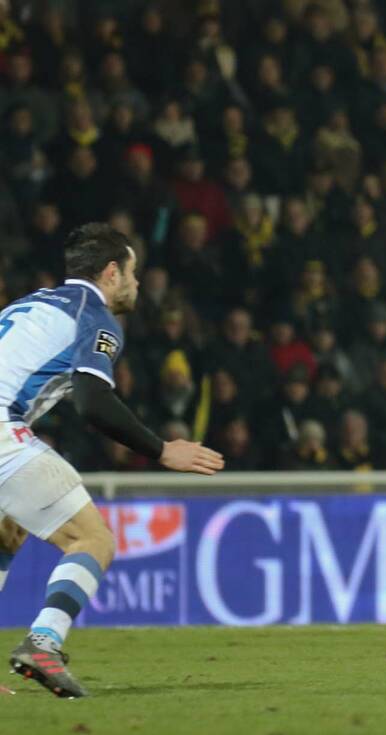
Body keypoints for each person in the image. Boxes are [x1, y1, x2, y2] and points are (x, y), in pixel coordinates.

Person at [0, 224, 225, 697]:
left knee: (7, 531)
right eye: (133, 272)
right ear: (111, 273)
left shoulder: (30, 304)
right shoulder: (95, 317)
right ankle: (44, 642)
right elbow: (93, 402)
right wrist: (162, 450)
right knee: (93, 539)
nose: (136, 283)